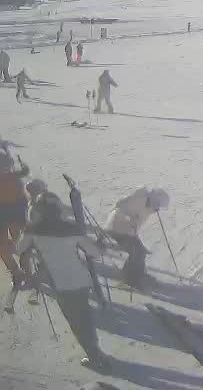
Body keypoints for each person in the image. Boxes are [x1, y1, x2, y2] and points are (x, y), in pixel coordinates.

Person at [18, 193, 110, 370]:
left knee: (76, 320)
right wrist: (100, 244)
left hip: (59, 283)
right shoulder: (72, 228)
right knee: (85, 316)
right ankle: (95, 349)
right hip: (81, 279)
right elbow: (95, 253)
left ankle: (94, 355)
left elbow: (20, 248)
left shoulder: (33, 229)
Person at [105, 187, 169, 289]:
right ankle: (129, 280)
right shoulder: (138, 198)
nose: (157, 209)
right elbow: (119, 206)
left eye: (159, 207)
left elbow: (136, 224)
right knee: (137, 252)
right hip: (115, 228)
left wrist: (137, 239)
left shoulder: (148, 208)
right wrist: (129, 219)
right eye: (158, 205)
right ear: (154, 199)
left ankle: (138, 274)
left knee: (141, 251)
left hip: (127, 232)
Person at [0, 152, 30, 286]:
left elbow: (24, 171)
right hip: (6, 213)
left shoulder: (14, 177)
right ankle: (16, 270)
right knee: (3, 247)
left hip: (15, 211)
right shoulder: (14, 176)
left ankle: (16, 248)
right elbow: (24, 171)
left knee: (14, 236)